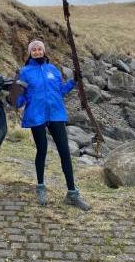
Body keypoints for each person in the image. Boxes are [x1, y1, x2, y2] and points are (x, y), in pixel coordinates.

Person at [15, 40, 91, 211]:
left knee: (64, 152)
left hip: (56, 114)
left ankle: (72, 193)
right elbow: (22, 97)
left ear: (44, 50)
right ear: (30, 53)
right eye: (33, 50)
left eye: (39, 48)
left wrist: (74, 82)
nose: (36, 51)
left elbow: (60, 91)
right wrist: (13, 98)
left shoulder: (53, 70)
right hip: (36, 116)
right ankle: (40, 187)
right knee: (41, 150)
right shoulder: (25, 72)